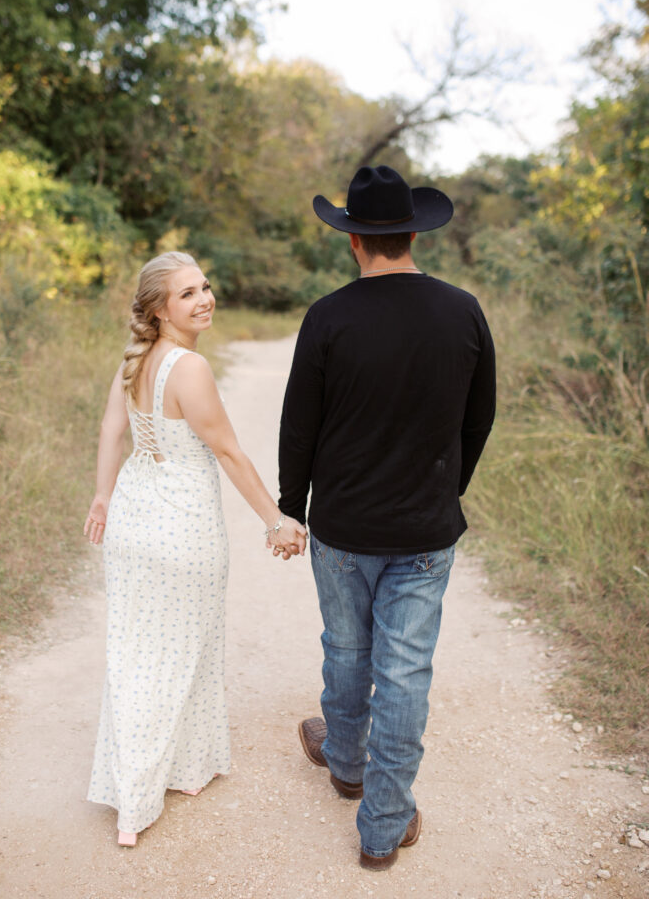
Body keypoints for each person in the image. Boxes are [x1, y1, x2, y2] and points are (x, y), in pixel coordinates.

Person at [276, 166, 495, 870]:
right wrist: (445, 490)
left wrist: (291, 506)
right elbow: (478, 418)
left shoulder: (328, 317)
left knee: (346, 649)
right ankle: (383, 826)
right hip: (426, 531)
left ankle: (345, 763)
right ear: (411, 232)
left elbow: (298, 428)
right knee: (404, 672)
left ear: (354, 243)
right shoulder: (463, 312)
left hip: (342, 527)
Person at [84, 251, 305, 847]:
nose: (204, 298)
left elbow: (112, 430)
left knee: (138, 651)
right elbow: (229, 452)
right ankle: (137, 801)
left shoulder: (135, 359)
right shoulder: (189, 369)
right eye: (187, 294)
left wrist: (103, 497)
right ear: (159, 309)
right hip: (183, 527)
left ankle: (179, 770)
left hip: (134, 516)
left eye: (205, 286)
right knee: (183, 650)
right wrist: (275, 522)